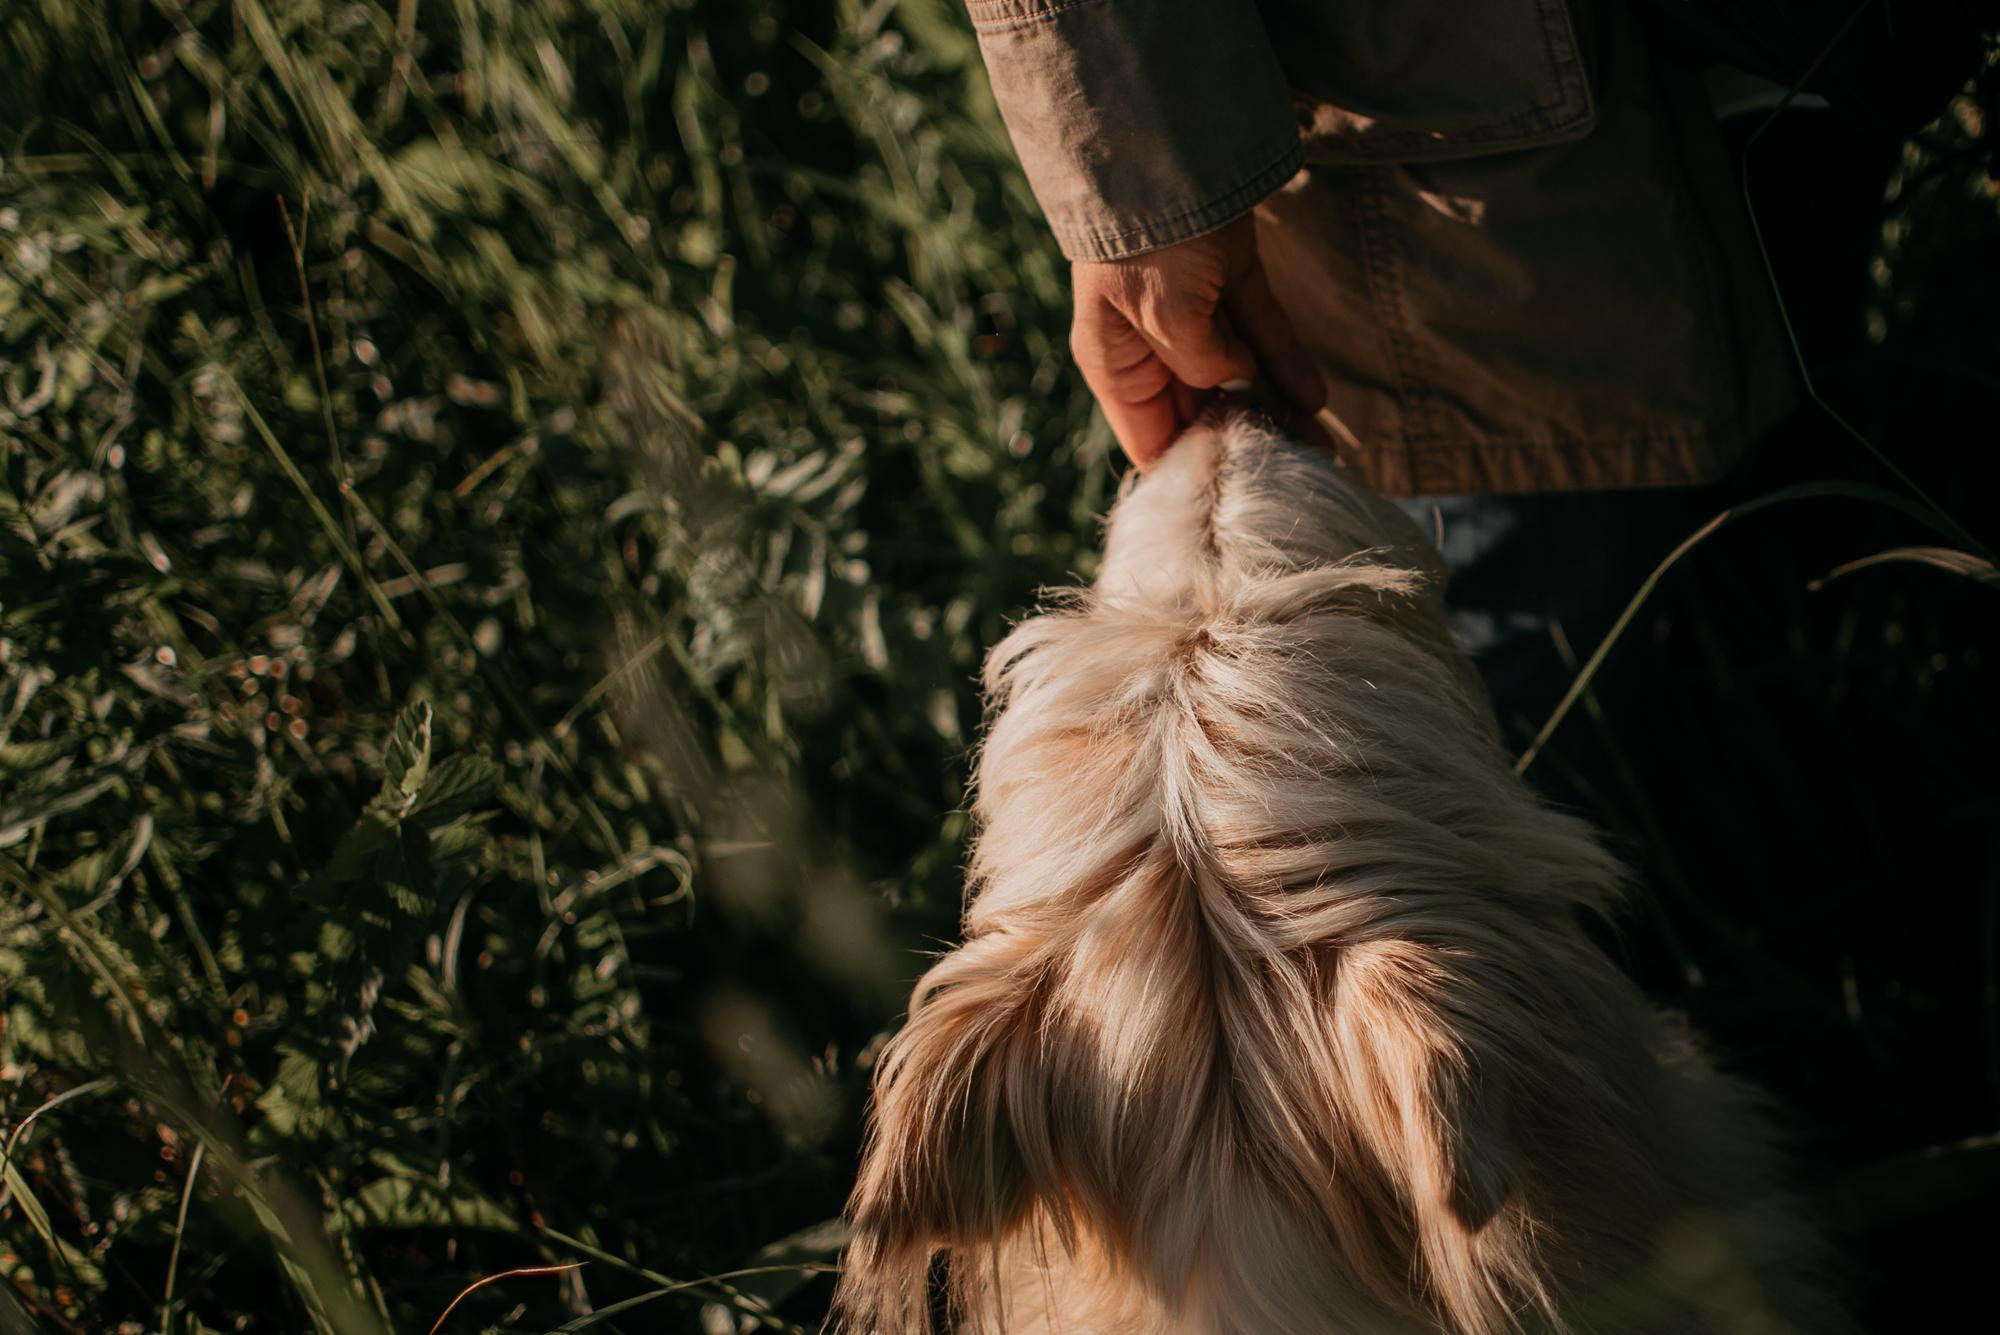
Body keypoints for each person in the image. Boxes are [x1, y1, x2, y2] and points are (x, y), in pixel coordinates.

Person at [964, 0, 1983, 723]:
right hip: (1456, 90)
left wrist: (1139, 192)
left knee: (1793, 356)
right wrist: (1138, 178)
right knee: (1529, 599)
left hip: (1780, 44)